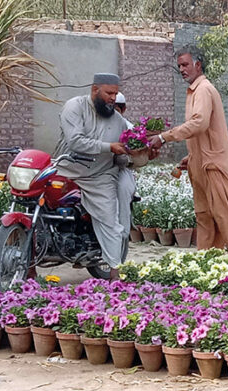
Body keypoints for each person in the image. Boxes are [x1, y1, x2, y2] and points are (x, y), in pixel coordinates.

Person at [149, 45, 228, 255]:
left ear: (198, 64)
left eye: (185, 64)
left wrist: (163, 137)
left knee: (225, 216)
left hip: (213, 166)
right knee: (204, 216)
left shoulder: (204, 89)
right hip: (200, 164)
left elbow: (200, 123)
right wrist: (191, 156)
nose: (182, 69)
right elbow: (203, 132)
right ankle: (208, 260)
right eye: (179, 66)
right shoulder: (194, 90)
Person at [54, 73, 130, 279]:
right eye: (109, 93)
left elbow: (131, 147)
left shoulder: (119, 122)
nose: (113, 98)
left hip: (99, 176)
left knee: (109, 221)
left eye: (116, 93)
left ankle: (114, 273)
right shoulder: (75, 107)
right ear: (95, 90)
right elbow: (75, 141)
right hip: (65, 171)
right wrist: (109, 147)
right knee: (36, 206)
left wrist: (146, 149)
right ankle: (30, 266)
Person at [113, 92, 138, 239]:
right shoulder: (96, 124)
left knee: (123, 189)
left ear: (123, 109)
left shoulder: (129, 129)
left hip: (121, 170)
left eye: (116, 108)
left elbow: (138, 157)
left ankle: (122, 236)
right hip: (98, 171)